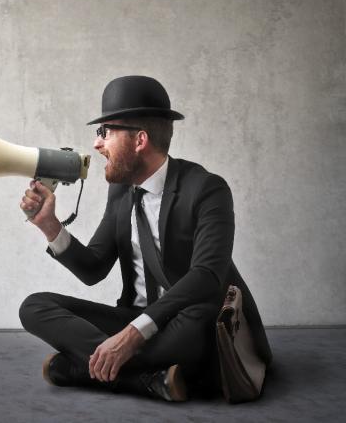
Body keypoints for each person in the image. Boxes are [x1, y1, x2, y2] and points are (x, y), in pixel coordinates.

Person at [18, 75, 272, 401]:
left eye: (105, 132)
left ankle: (83, 368)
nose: (97, 144)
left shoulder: (207, 189)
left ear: (140, 140)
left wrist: (133, 335)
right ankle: (147, 379)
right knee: (34, 306)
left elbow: (207, 277)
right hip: (137, 320)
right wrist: (50, 226)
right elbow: (93, 269)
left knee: (200, 315)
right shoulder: (121, 193)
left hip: (186, 321)